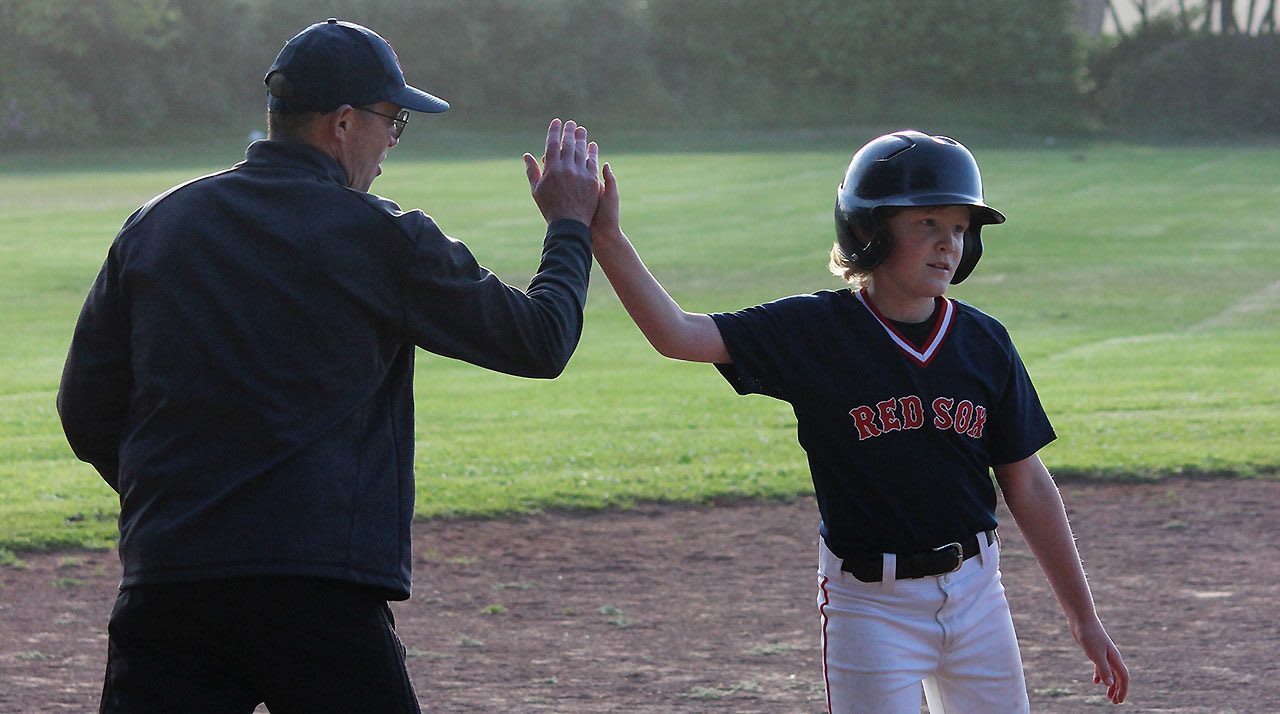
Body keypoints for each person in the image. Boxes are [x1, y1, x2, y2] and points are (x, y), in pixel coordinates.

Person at [57, 18, 601, 714]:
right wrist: (569, 226)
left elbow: (85, 411)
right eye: (392, 121)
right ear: (343, 124)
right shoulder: (379, 237)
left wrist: (180, 499)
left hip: (168, 584)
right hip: (315, 595)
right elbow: (541, 339)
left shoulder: (156, 225)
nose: (391, 146)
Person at [587, 130, 1129, 712]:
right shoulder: (815, 333)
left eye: (960, 229)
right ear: (869, 229)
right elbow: (679, 335)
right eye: (927, 223)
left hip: (977, 594)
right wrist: (608, 238)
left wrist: (1083, 617)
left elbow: (1026, 483)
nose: (948, 244)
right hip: (871, 608)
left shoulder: (984, 342)